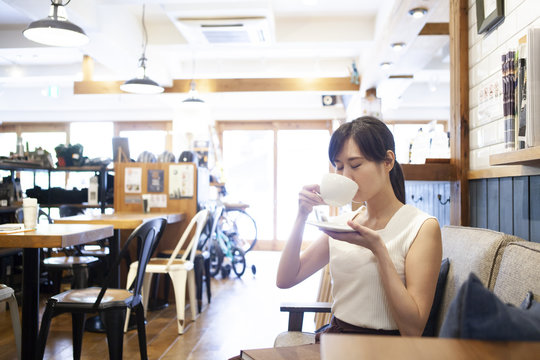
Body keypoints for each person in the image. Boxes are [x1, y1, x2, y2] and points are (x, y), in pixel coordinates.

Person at [276, 116, 442, 340]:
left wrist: (379, 250)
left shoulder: (421, 227)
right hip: (335, 341)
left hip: (383, 350)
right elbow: (286, 279)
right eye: (339, 167)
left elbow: (412, 330)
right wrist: (301, 216)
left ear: (388, 161)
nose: (346, 176)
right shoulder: (343, 224)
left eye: (355, 165)